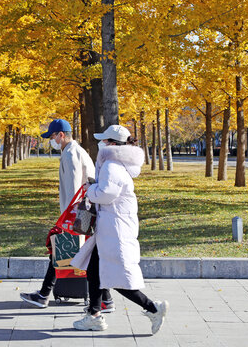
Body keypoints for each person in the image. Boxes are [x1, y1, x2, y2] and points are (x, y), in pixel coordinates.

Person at [70, 124, 169, 334]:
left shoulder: (111, 165)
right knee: (95, 271)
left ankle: (153, 308)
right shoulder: (118, 164)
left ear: (112, 144)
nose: (101, 143)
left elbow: (106, 194)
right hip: (112, 226)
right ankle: (94, 315)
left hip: (113, 228)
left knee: (116, 276)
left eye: (104, 140)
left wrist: (90, 189)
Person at [20, 119, 114, 311]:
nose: (51, 140)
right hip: (83, 212)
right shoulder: (75, 151)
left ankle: (44, 294)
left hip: (78, 214)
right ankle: (105, 298)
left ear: (61, 135)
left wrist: (68, 219)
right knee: (82, 254)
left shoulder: (70, 154)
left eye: (52, 136)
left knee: (62, 251)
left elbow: (73, 188)